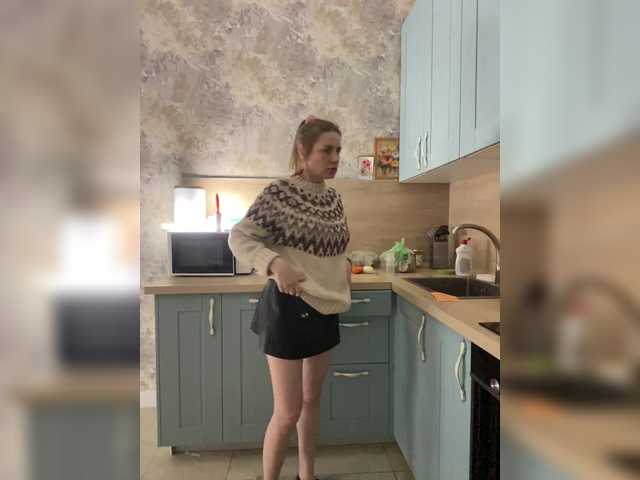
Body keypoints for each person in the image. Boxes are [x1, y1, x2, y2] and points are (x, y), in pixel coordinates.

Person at [228, 115, 352, 480]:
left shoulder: (334, 198)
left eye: (338, 150)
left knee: (312, 400)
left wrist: (344, 267)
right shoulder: (279, 193)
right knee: (288, 411)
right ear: (303, 150)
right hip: (287, 309)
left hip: (326, 307)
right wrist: (274, 263)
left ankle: (306, 474)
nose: (335, 158)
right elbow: (239, 237)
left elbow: (332, 248)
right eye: (327, 150)